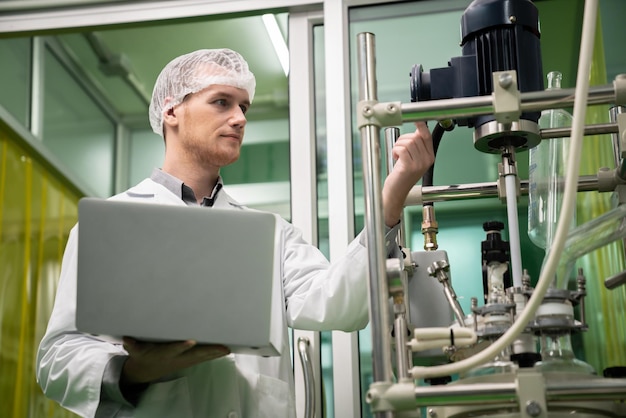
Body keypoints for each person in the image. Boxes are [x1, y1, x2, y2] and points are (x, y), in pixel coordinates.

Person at [36, 48, 434, 418]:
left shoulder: (271, 235)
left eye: (243, 106)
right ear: (171, 109)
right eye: (222, 102)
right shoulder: (110, 225)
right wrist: (134, 370)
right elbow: (57, 359)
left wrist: (391, 198)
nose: (240, 118)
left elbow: (340, 304)